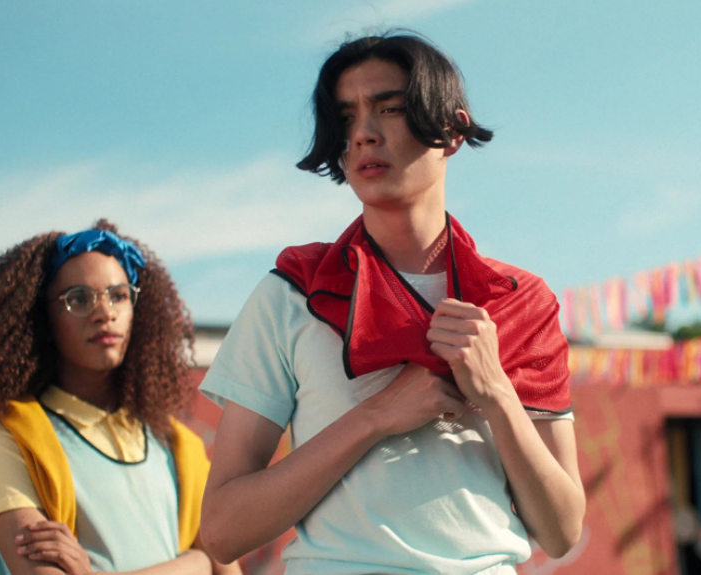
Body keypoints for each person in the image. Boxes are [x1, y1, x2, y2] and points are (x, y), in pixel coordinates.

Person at [198, 32, 585, 574]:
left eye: (390, 109)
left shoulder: (521, 303)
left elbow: (562, 532)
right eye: (346, 117)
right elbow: (221, 533)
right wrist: (376, 416)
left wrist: (497, 393)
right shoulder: (294, 292)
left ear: (452, 131)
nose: (363, 133)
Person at [0, 220, 240, 575]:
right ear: (41, 319)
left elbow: (227, 569)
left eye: (119, 295)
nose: (105, 312)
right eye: (78, 298)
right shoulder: (9, 442)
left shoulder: (178, 447)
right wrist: (196, 564)